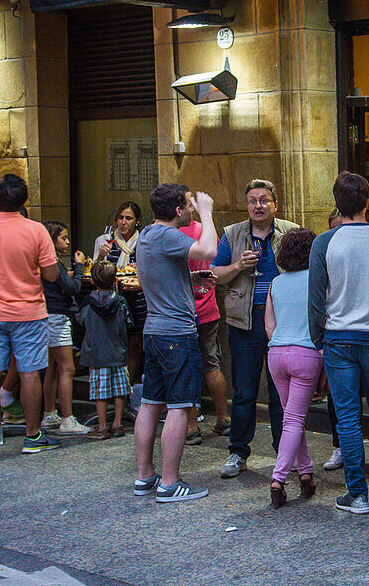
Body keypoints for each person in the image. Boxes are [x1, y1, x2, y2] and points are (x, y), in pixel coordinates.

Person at [309, 171, 369, 514]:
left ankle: (358, 494)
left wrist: (318, 340)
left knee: (347, 416)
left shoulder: (324, 243)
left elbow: (316, 300)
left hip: (338, 338)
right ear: (367, 201)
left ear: (338, 203)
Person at [0, 175, 63, 463]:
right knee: (30, 372)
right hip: (29, 312)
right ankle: (33, 435)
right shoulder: (36, 231)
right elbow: (52, 275)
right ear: (24, 201)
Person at [133, 183, 217, 503]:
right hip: (176, 336)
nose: (193, 209)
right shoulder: (169, 235)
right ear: (178, 210)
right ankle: (169, 483)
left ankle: (145, 476)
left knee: (151, 404)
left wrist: (190, 280)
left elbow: (158, 275)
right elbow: (207, 250)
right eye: (189, 205)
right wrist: (208, 212)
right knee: (180, 407)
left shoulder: (147, 235)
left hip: (154, 331)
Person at [210, 179, 297, 478]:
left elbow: (305, 272)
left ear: (275, 204)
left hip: (283, 323)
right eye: (252, 201)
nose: (258, 206)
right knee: (245, 391)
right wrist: (238, 266)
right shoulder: (232, 235)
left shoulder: (290, 232)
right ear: (246, 205)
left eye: (263, 200)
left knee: (280, 393)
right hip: (244, 323)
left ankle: (284, 454)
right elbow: (214, 275)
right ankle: (238, 452)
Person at [264, 227, 321, 509]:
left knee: (291, 419)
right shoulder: (317, 279)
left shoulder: (276, 282)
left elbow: (269, 325)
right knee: (294, 420)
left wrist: (279, 342)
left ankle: (307, 473)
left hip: (276, 353)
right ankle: (279, 478)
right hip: (306, 353)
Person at [179, 218, 231, 445]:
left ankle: (191, 426)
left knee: (187, 367)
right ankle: (223, 418)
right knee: (212, 363)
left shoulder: (170, 233)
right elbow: (217, 263)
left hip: (182, 308)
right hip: (208, 306)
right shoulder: (204, 229)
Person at [39, 221, 90, 435]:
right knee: (67, 368)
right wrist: (79, 267)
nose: (68, 242)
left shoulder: (47, 261)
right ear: (52, 240)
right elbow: (73, 288)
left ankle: (49, 414)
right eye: (64, 238)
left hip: (45, 315)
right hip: (57, 316)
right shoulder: (51, 261)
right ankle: (68, 419)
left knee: (51, 368)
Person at [93, 201, 147, 386]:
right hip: (112, 300)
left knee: (134, 346)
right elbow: (95, 274)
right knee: (113, 347)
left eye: (128, 218)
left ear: (137, 221)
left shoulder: (144, 242)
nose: (123, 222)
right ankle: (114, 391)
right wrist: (100, 257)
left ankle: (129, 388)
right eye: (121, 218)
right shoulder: (105, 240)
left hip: (138, 300)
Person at [78, 261, 133, 440]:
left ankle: (102, 426)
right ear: (116, 279)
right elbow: (129, 323)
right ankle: (118, 424)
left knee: (100, 393)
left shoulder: (88, 302)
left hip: (96, 354)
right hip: (117, 353)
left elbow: (80, 320)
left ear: (93, 281)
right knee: (119, 390)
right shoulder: (121, 302)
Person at [322, 208, 345, 472]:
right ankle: (339, 447)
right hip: (333, 333)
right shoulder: (323, 257)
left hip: (361, 333)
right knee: (335, 396)